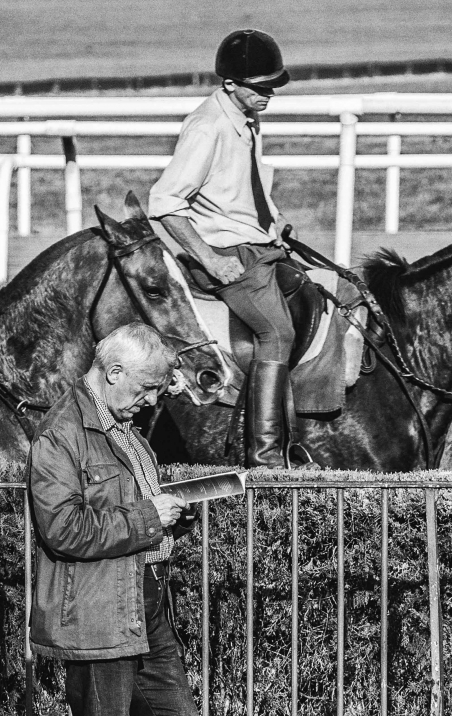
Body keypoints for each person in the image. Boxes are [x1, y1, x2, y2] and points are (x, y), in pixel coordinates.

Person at [27, 322, 205, 716]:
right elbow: (64, 530)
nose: (155, 399)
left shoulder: (122, 426)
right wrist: (150, 517)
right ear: (114, 373)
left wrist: (168, 516)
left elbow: (125, 511)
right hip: (98, 617)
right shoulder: (60, 437)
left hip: (144, 608)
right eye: (150, 387)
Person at [149, 28, 298, 468]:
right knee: (278, 332)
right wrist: (211, 261)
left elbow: (239, 188)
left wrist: (273, 216)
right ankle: (266, 455)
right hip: (231, 257)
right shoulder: (208, 126)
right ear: (231, 84)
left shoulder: (246, 119)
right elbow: (165, 203)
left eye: (273, 85)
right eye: (261, 86)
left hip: (258, 245)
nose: (269, 93)